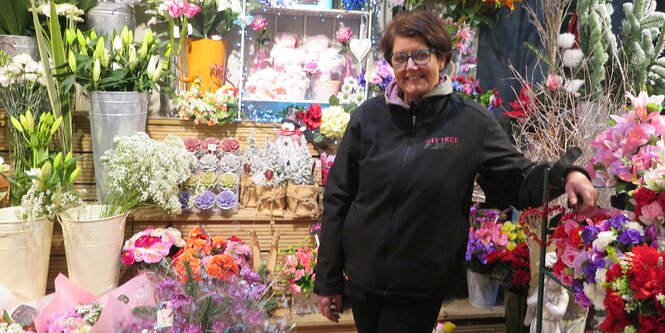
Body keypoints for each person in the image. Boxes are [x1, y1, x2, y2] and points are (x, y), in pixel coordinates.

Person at [313, 10, 598, 333]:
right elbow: (338, 198)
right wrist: (328, 279)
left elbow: (518, 179)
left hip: (420, 286)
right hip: (363, 280)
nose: (410, 67)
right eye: (400, 58)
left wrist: (566, 175)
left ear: (442, 57)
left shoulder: (469, 122)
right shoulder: (369, 117)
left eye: (421, 55)